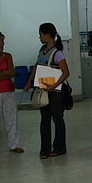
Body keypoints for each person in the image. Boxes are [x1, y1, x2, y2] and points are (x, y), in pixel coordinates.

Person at [24, 23, 70, 159]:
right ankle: (44, 149)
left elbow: (66, 72)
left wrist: (54, 85)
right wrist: (29, 83)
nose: (39, 37)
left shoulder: (58, 53)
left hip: (56, 91)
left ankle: (60, 147)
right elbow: (36, 68)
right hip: (44, 89)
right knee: (44, 119)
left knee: (57, 118)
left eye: (41, 34)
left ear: (48, 35)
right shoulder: (42, 50)